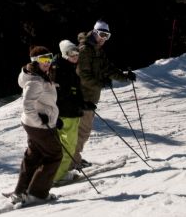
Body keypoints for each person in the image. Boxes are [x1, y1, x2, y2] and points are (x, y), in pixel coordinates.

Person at [74, 20, 136, 167]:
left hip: (90, 97)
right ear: (95, 32)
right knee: (82, 130)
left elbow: (107, 68)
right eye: (102, 34)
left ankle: (74, 158)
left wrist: (124, 77)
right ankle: (72, 161)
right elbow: (82, 75)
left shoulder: (96, 49)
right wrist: (100, 84)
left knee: (83, 130)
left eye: (107, 36)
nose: (103, 38)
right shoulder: (85, 50)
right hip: (82, 98)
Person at [9, 45, 63, 205]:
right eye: (43, 60)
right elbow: (27, 105)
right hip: (38, 126)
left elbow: (43, 102)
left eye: (50, 58)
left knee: (34, 156)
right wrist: (41, 121)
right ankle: (37, 194)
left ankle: (21, 192)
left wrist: (54, 118)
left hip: (34, 124)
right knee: (55, 155)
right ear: (35, 62)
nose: (48, 62)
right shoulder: (36, 81)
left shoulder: (41, 75)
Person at [51, 39, 84, 182]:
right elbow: (56, 95)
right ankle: (58, 176)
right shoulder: (58, 70)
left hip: (71, 112)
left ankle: (56, 173)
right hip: (65, 114)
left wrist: (83, 103)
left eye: (77, 52)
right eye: (71, 53)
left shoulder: (68, 67)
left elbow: (73, 92)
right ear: (65, 54)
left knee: (67, 145)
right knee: (68, 146)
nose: (75, 56)